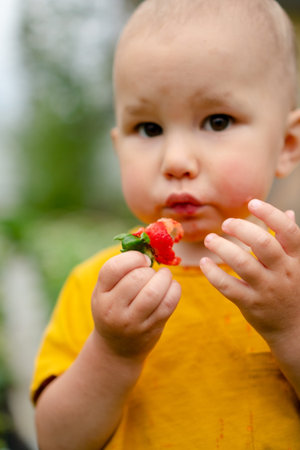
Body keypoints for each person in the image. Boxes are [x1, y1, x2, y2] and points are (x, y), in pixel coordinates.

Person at [31, 0, 300, 448]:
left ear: (287, 144)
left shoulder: (293, 277)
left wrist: (290, 326)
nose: (175, 161)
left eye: (218, 121)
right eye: (149, 128)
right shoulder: (99, 288)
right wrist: (113, 352)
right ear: (119, 148)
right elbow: (57, 441)